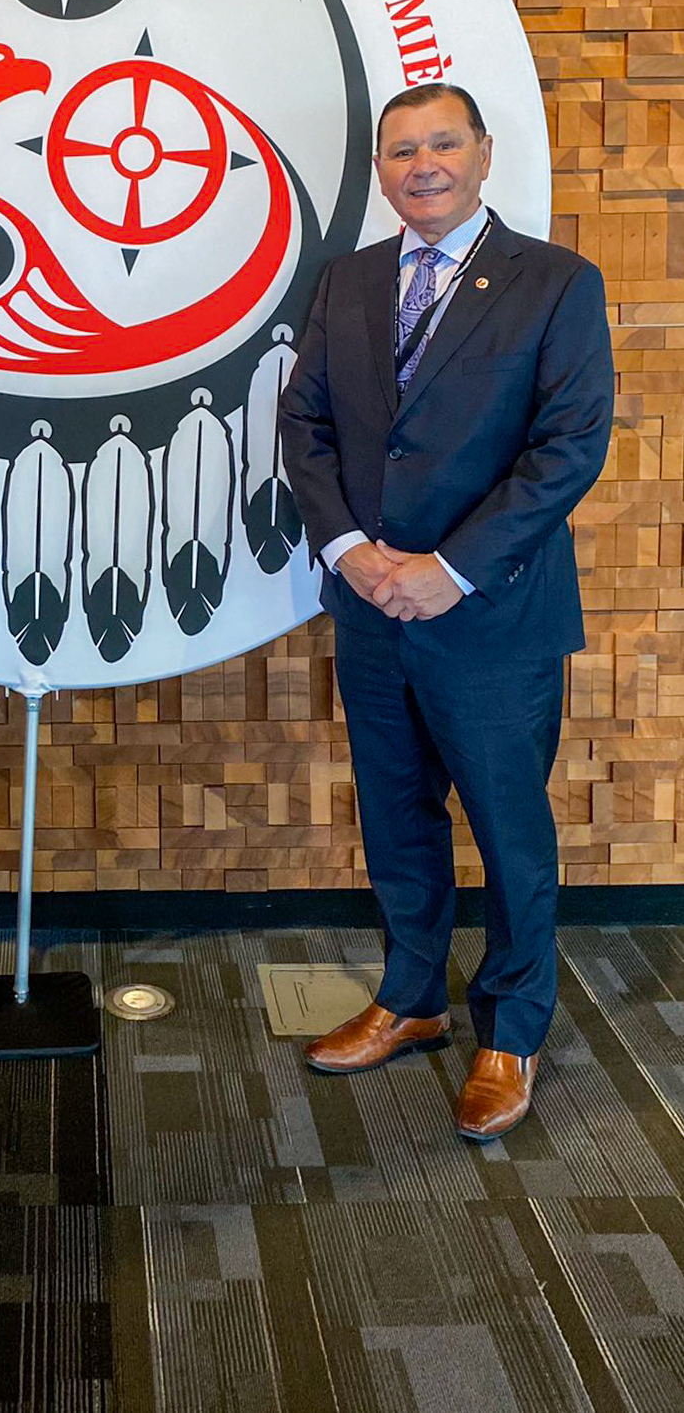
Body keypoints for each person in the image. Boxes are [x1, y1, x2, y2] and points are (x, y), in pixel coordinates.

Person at [278, 83, 613, 1142]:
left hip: (490, 615)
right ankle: (412, 998)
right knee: (394, 819)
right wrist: (348, 552)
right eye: (399, 150)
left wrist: (449, 570)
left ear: (480, 153)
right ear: (379, 169)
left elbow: (566, 447)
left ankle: (509, 1031)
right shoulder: (347, 282)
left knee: (509, 834)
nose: (419, 164)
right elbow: (306, 424)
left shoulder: (553, 282)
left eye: (440, 144)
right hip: (371, 609)